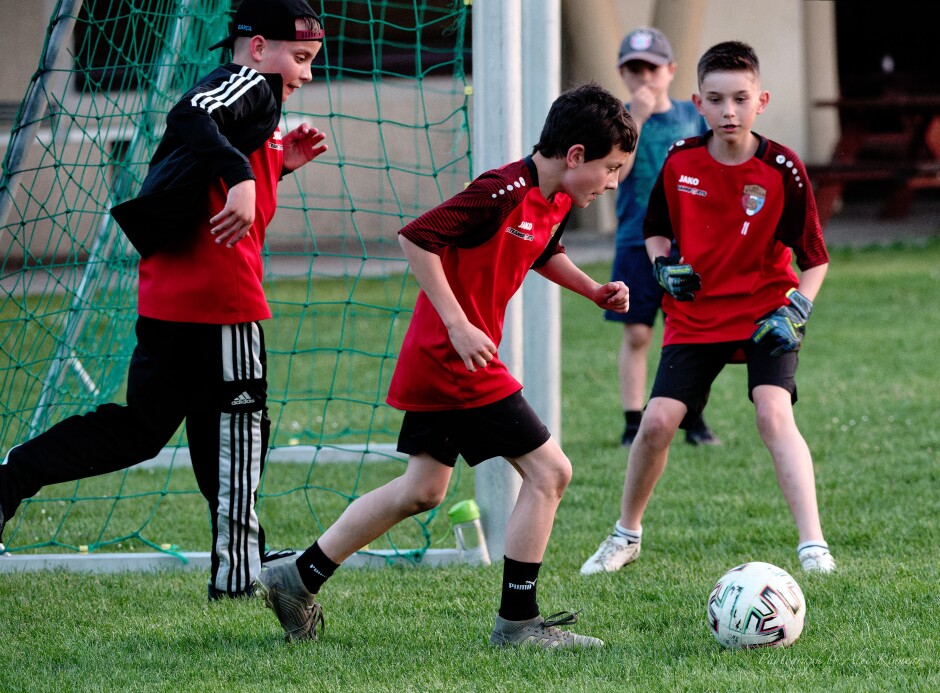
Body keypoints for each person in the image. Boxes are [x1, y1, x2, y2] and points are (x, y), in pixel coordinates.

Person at [254, 82, 638, 648]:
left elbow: (541, 247)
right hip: (453, 358)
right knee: (550, 471)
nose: (612, 183)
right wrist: (459, 324)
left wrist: (591, 290)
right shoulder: (501, 188)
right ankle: (519, 624)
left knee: (423, 490)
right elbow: (418, 237)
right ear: (575, 155)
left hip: (451, 359)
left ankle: (297, 576)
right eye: (610, 170)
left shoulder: (554, 198)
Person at [0, 0, 330, 600]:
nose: (305, 73)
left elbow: (202, 161)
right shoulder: (251, 83)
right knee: (236, 436)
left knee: (141, 430)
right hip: (221, 304)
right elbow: (191, 116)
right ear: (257, 47)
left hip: (168, 298)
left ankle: (10, 480)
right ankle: (238, 581)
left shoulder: (249, 95)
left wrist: (278, 163)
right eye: (300, 58)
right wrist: (245, 176)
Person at [581, 41, 836, 577]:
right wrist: (661, 266)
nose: (728, 112)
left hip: (768, 311)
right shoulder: (680, 161)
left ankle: (813, 548)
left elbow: (814, 259)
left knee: (772, 412)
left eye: (740, 99)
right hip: (695, 316)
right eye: (716, 100)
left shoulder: (783, 168)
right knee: (657, 422)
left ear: (760, 100)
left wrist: (797, 308)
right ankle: (626, 535)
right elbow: (655, 230)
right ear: (697, 102)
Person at [606, 27, 718, 448]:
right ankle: (634, 420)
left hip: (687, 243)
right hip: (636, 240)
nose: (644, 78)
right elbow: (618, 173)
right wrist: (634, 117)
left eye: (652, 68)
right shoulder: (617, 120)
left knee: (688, 332)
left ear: (671, 70)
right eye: (634, 70)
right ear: (622, 74)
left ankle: (692, 415)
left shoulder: (690, 118)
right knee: (637, 332)